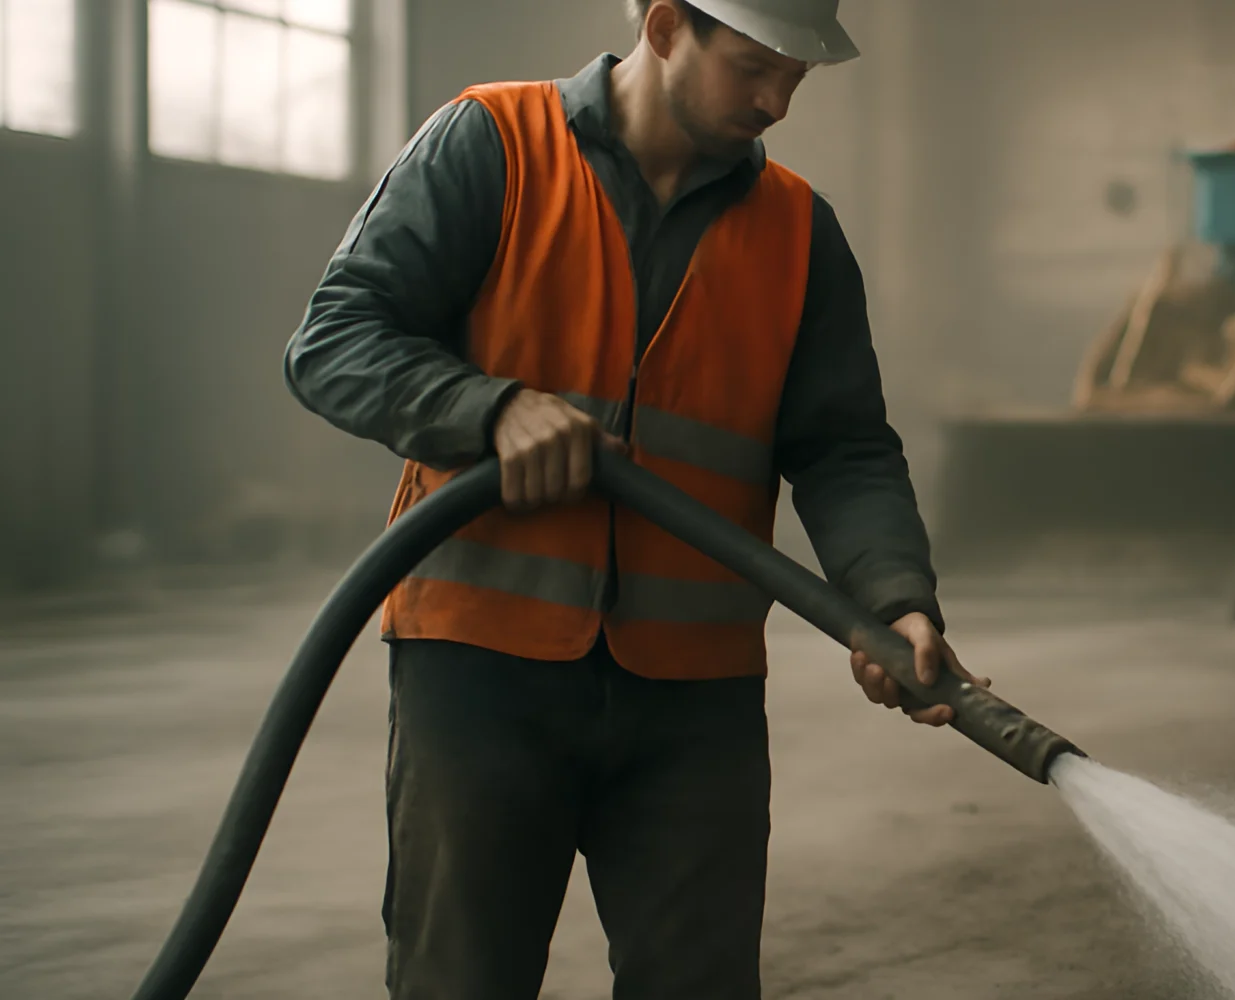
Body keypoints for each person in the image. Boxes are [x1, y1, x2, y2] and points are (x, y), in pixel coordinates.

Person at [281, 1, 988, 996]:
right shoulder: (493, 144)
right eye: (753, 67)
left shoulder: (797, 231)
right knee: (460, 979)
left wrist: (890, 593)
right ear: (663, 26)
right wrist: (482, 409)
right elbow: (334, 342)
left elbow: (843, 447)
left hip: (693, 698)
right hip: (482, 670)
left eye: (797, 75)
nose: (777, 101)